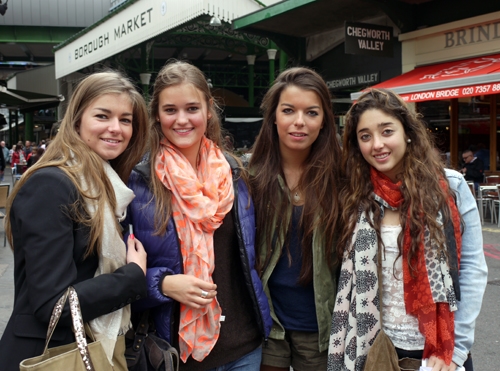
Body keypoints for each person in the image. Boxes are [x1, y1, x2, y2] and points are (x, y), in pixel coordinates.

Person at [125, 60, 272, 371]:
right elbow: (116, 273)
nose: (182, 120)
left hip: (244, 347)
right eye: (170, 110)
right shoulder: (138, 184)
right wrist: (162, 284)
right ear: (156, 114)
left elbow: (252, 258)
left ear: (208, 110)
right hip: (177, 354)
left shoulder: (235, 175)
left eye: (192, 108)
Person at [327, 89, 488, 371]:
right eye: (365, 136)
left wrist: (456, 352)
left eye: (387, 131)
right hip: (377, 351)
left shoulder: (450, 187)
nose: (377, 144)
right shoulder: (355, 195)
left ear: (407, 132)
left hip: (439, 353)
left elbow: (473, 270)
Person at [0, 71, 150, 371]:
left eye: (125, 119)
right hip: (51, 355)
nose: (115, 128)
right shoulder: (52, 185)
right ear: (77, 120)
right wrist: (133, 275)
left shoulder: (105, 186)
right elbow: (52, 304)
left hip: (84, 350)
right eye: (103, 116)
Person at [248, 67, 342, 371]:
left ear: (324, 119)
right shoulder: (247, 178)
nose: (299, 122)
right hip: (266, 324)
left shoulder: (343, 179)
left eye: (311, 112)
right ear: (274, 116)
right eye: (288, 110)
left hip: (320, 329)